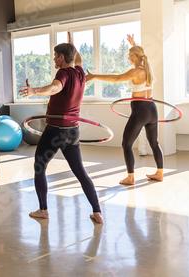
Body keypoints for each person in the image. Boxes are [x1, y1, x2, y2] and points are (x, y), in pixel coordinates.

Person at [20, 33, 103, 224]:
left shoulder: (63, 74)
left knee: (39, 166)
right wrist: (72, 45)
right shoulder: (81, 73)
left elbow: (55, 88)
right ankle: (97, 212)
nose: (54, 59)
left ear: (63, 58)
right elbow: (78, 59)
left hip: (55, 130)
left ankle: (43, 210)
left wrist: (34, 91)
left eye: (56, 55)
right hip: (73, 131)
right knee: (81, 172)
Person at [86, 34, 163, 186]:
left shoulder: (135, 72)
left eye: (130, 56)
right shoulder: (148, 68)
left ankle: (130, 177)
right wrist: (134, 44)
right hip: (152, 109)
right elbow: (141, 53)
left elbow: (116, 79)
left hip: (140, 111)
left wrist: (94, 76)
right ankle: (160, 172)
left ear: (135, 57)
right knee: (154, 142)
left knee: (126, 144)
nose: (128, 58)